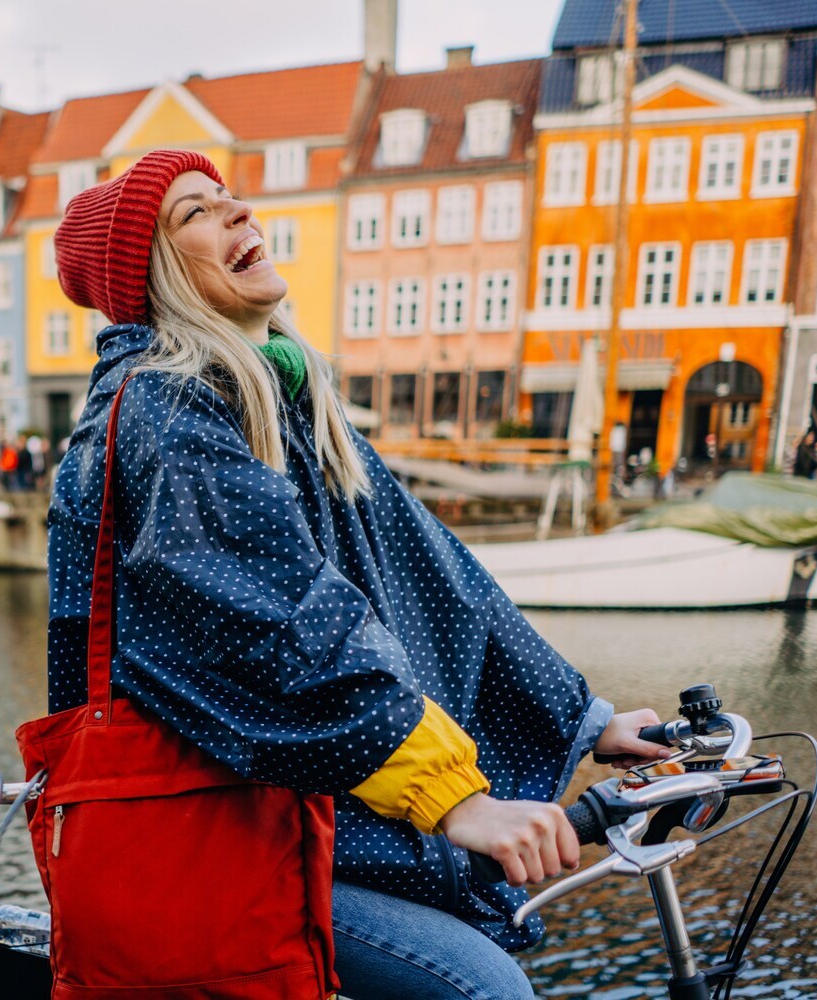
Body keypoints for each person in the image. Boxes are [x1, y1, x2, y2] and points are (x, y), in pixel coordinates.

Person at [47, 150, 671, 1000]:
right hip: (216, 824)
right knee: (486, 989)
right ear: (154, 277)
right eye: (195, 212)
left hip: (294, 806)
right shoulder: (166, 407)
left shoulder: (288, 399)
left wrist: (584, 717)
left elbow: (441, 579)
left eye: (230, 197)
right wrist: (457, 799)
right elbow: (284, 623)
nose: (237, 212)